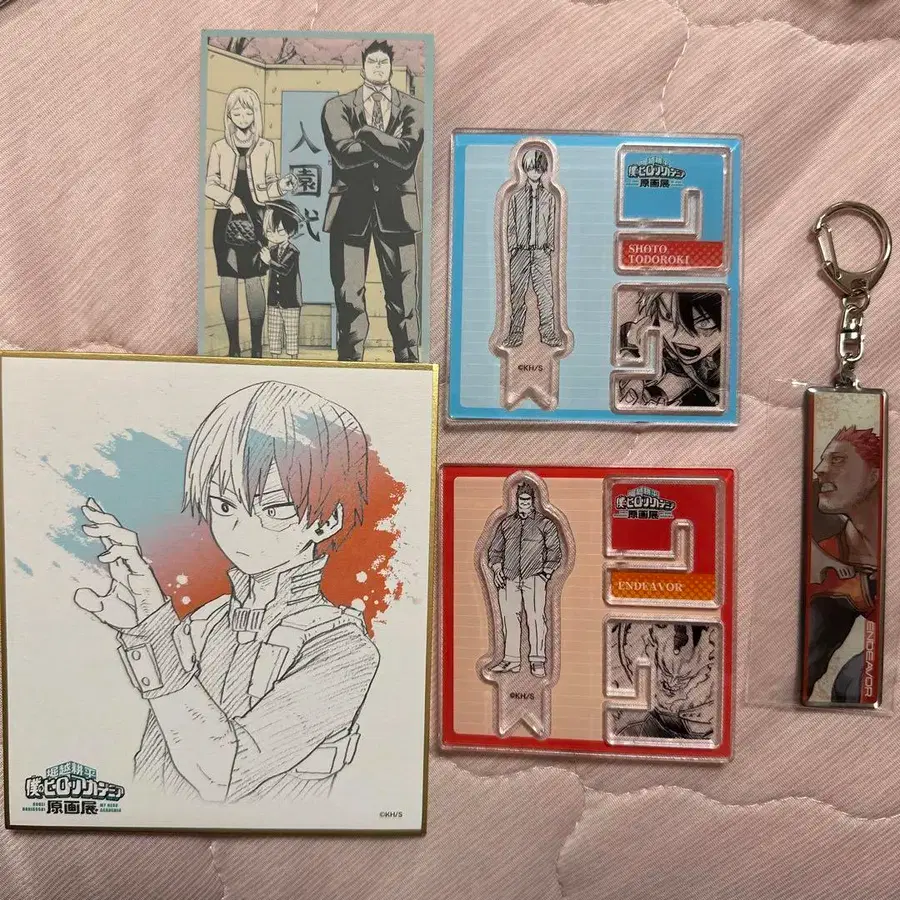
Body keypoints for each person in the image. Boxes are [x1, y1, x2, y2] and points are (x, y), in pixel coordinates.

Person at [73, 381, 380, 802]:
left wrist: (155, 630)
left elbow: (224, 772)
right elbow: (152, 768)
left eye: (273, 510)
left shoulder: (342, 649)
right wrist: (145, 620)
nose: (241, 530)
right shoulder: (205, 621)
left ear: (327, 521)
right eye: (224, 505)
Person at [321, 40, 425, 363]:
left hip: (399, 212)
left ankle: (408, 367)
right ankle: (350, 367)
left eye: (383, 62)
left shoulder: (414, 107)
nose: (378, 67)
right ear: (362, 66)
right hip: (349, 213)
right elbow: (344, 154)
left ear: (391, 67)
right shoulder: (336, 107)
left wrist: (365, 134)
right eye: (372, 62)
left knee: (404, 299)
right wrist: (389, 145)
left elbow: (407, 156)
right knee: (348, 297)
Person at [206, 88, 296, 358]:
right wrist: (229, 198)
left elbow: (268, 190)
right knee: (228, 279)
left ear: (255, 114)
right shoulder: (219, 147)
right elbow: (208, 185)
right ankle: (234, 347)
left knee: (255, 278)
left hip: (257, 219)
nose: (242, 117)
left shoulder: (266, 147)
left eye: (247, 112)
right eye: (237, 112)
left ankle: (256, 347)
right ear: (229, 115)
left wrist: (282, 186)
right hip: (226, 219)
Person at [805, 426, 882, 703]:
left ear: (874, 475)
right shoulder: (827, 557)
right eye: (823, 460)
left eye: (837, 460)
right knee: (851, 684)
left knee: (856, 680)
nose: (819, 469)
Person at [486, 482, 562, 677]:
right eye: (521, 501)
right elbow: (495, 551)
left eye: (527, 501)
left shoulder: (545, 524)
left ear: (533, 501)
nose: (524, 504)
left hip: (534, 577)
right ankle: (511, 660)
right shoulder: (506, 524)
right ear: (517, 501)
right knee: (509, 618)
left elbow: (554, 551)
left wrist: (545, 574)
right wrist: (497, 569)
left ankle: (537, 661)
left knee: (536, 618)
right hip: (509, 578)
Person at [618, 289, 722, 408]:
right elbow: (631, 336)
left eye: (704, 323)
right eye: (668, 318)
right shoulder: (656, 332)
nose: (678, 337)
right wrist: (633, 371)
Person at [502, 149, 563, 349]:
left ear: (544, 170)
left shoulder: (549, 197)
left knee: (545, 295)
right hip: (520, 251)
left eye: (538, 168)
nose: (534, 172)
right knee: (517, 295)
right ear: (525, 169)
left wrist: (549, 246)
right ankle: (515, 334)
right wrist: (512, 246)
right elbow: (511, 222)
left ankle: (548, 333)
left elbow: (552, 223)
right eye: (531, 168)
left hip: (541, 252)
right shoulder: (516, 196)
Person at [259, 199, 303, 359]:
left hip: (290, 301)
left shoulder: (293, 251)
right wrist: (263, 260)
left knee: (291, 334)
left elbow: (284, 269)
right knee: (274, 332)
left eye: (280, 231)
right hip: (273, 300)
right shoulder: (271, 250)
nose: (274, 235)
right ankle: (274, 358)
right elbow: (263, 269)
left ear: (290, 231)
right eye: (270, 231)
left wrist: (268, 261)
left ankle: (293, 359)